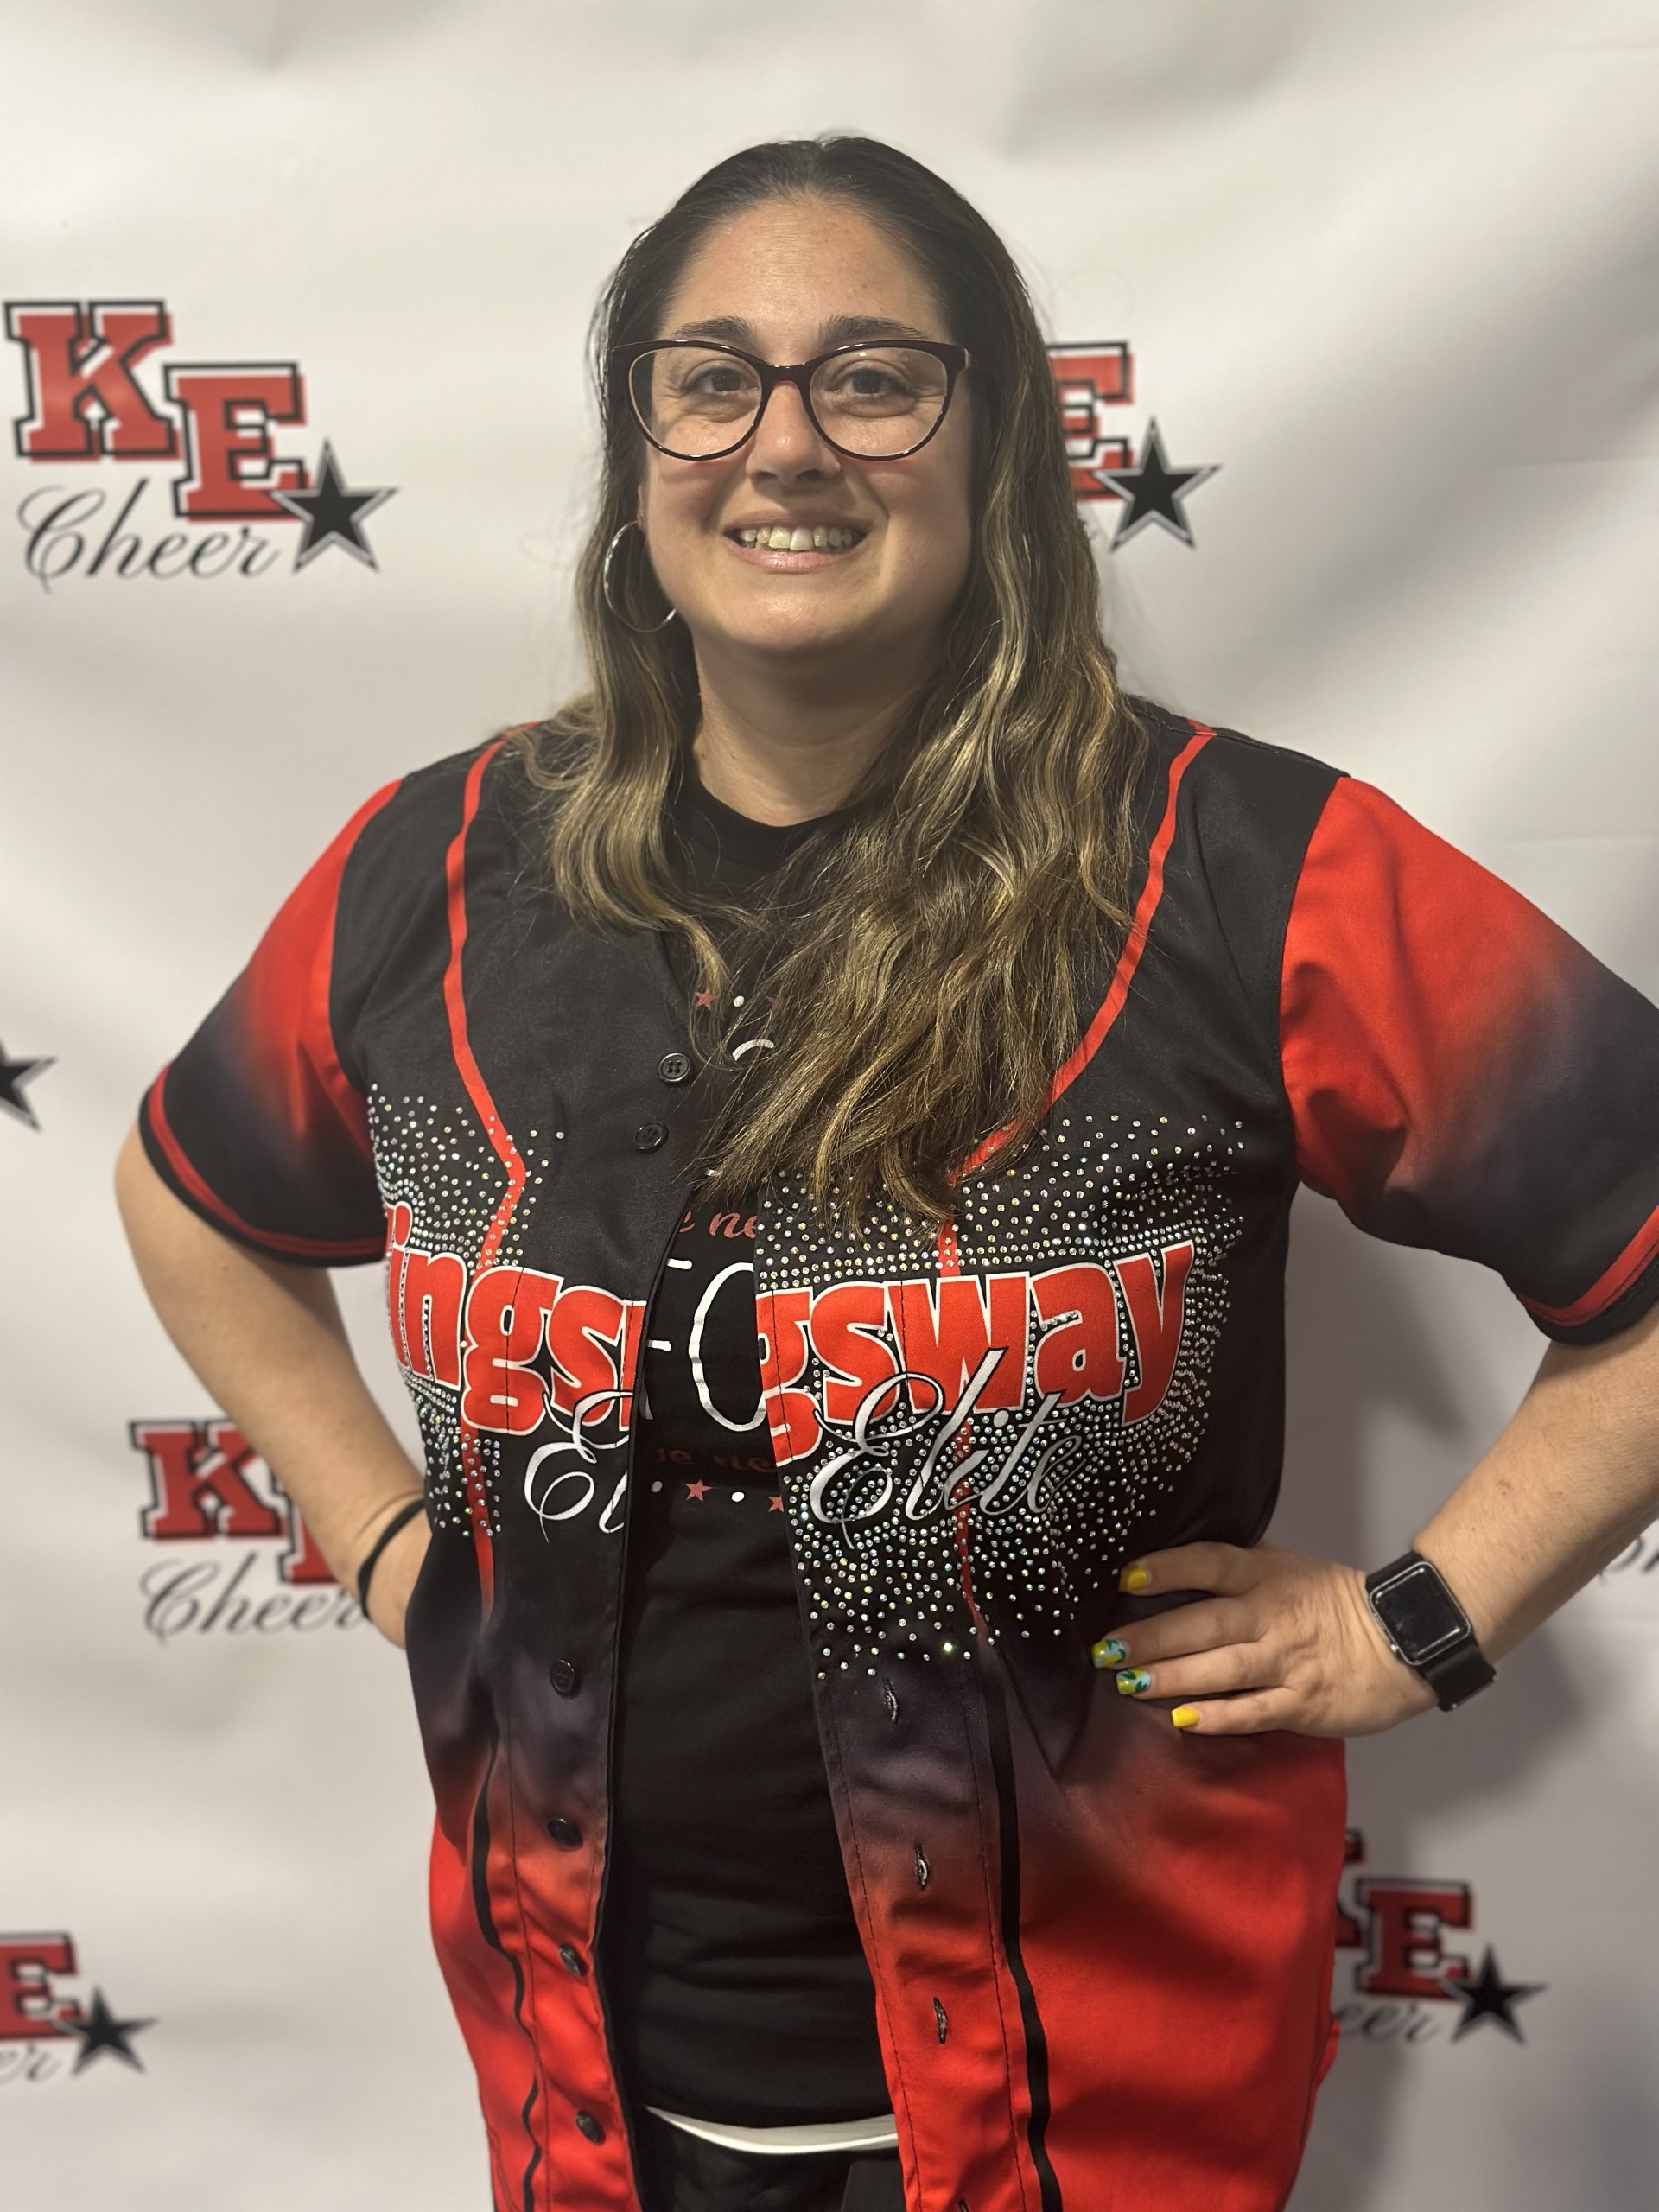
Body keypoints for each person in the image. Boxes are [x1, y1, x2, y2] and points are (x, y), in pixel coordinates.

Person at [115, 135, 1659, 2212]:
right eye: (712, 378)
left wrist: (1421, 1620)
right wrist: (393, 1541)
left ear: (993, 440)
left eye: (871, 377)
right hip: (592, 2096)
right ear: (639, 451)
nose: (786, 443)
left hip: (1089, 2120)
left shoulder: (1229, 868)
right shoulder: (443, 872)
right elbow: (191, 1193)